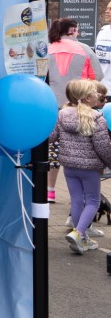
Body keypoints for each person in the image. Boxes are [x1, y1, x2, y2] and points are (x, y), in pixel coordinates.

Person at [46, 18, 103, 203]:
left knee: (52, 148)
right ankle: (81, 195)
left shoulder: (46, 48)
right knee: (79, 150)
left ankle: (50, 190)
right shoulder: (85, 50)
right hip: (77, 106)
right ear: (73, 30)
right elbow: (98, 77)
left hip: (51, 104)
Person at [51, 79, 111, 254]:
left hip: (69, 167)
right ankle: (79, 233)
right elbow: (103, 147)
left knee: (77, 200)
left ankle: (81, 239)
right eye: (94, 92)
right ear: (86, 97)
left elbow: (52, 137)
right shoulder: (97, 118)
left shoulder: (61, 115)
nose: (98, 95)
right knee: (92, 201)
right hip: (90, 168)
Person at [95, 0, 111, 95]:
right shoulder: (103, 31)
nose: (107, 11)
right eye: (107, 8)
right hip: (100, 88)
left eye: (110, 9)